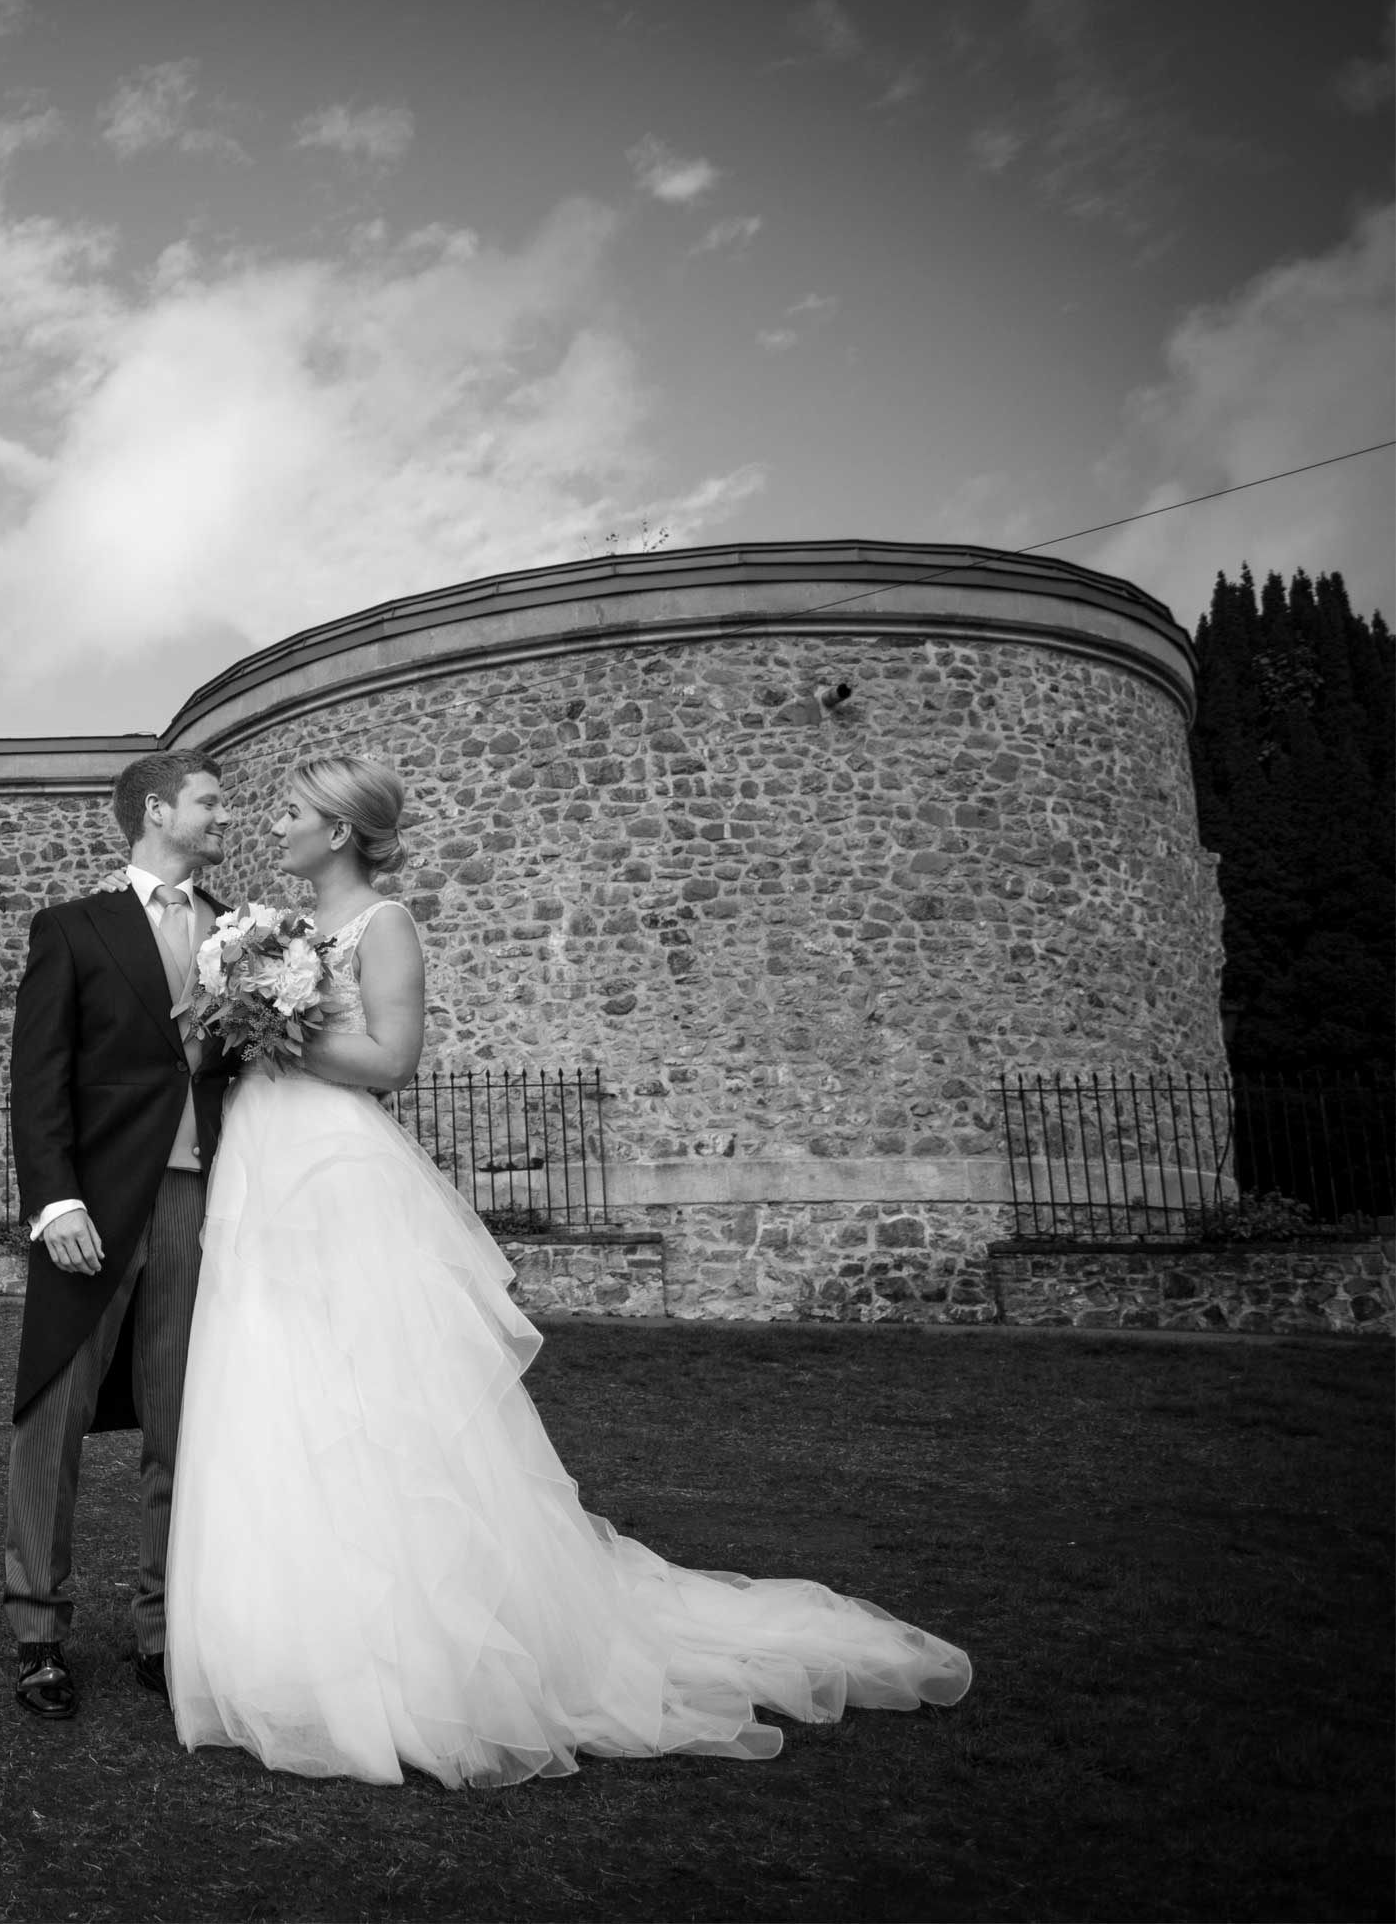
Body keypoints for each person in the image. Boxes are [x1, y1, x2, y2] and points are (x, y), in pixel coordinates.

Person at [164, 754, 972, 1787]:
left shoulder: (386, 925)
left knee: (370, 1392)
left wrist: (283, 1025)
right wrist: (244, 1006)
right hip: (264, 1168)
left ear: (341, 832)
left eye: (294, 812)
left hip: (335, 1166)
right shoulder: (270, 930)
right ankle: (281, 1646)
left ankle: (414, 1648)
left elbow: (393, 1062)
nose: (276, 823)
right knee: (273, 1380)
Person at [2, 749, 237, 1718]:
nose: (224, 814)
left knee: (184, 1424)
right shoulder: (73, 927)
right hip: (94, 1205)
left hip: (206, 1201)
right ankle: (37, 1633)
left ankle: (164, 1627)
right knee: (49, 1419)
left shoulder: (246, 930)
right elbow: (37, 1077)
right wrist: (56, 1204)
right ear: (155, 809)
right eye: (210, 800)